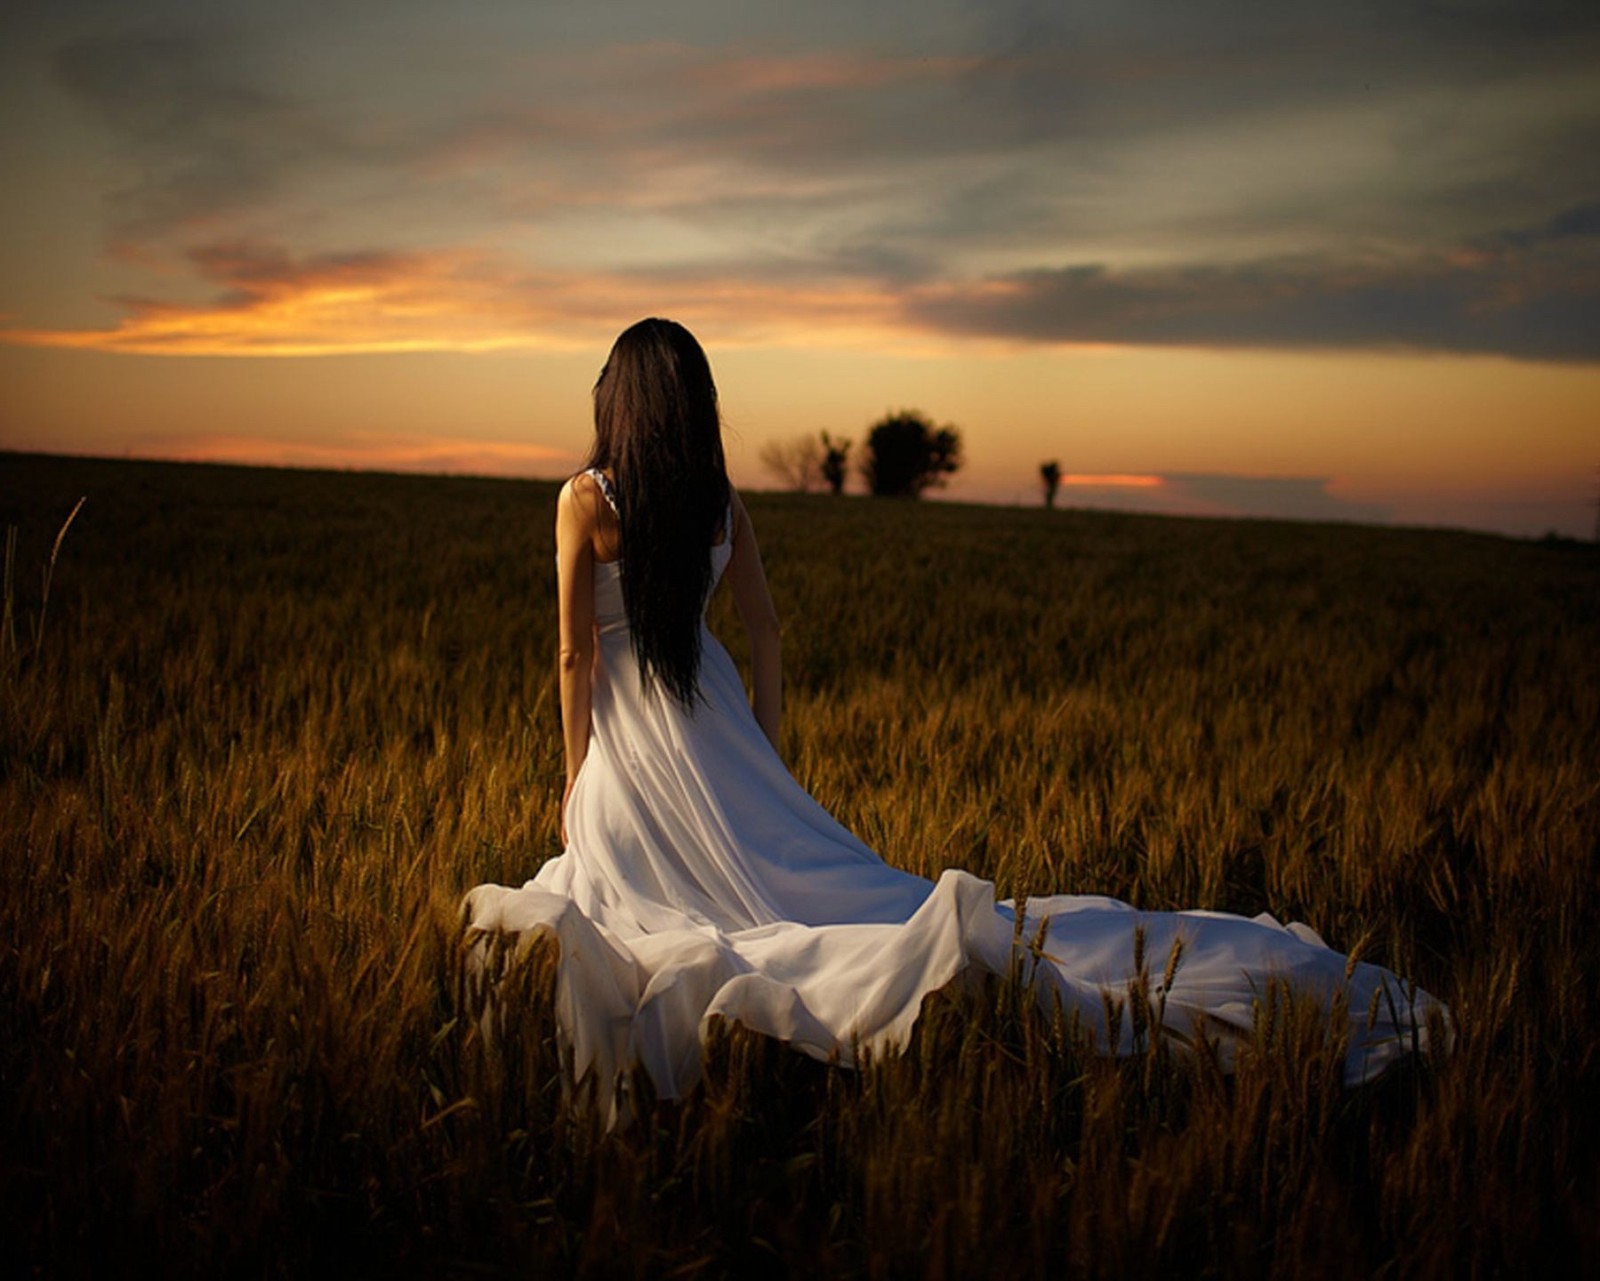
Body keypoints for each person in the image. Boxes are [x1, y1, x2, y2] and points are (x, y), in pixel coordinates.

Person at [464, 318, 1443, 1116]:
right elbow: (762, 630)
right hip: (716, 718)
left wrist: (575, 774)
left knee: (648, 907)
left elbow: (574, 652)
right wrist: (761, 751)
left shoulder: (581, 500)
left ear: (618, 402)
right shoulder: (718, 503)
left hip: (633, 743)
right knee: (807, 897)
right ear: (696, 405)